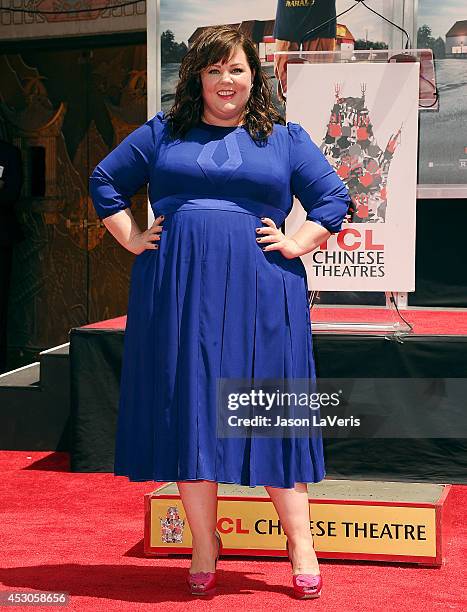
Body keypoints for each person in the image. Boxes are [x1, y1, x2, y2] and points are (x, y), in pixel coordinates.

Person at [89, 25, 350, 599]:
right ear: (196, 78)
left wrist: (298, 241)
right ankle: (205, 544)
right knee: (193, 414)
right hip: (177, 290)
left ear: (254, 75)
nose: (225, 81)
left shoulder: (284, 138)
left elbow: (333, 197)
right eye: (213, 70)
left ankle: (299, 543)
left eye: (235, 69)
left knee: (269, 408)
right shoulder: (164, 133)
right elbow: (106, 179)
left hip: (263, 290)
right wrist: (132, 236)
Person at [273, 0, 337, 102]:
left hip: (321, 13)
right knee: (287, 86)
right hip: (288, 10)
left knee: (320, 79)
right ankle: (291, 113)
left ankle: (317, 112)